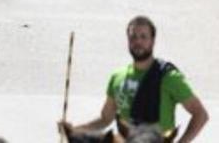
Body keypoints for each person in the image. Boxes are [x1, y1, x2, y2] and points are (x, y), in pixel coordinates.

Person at [60, 16, 208, 142]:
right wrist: (74, 130)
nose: (138, 42)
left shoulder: (168, 77)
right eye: (133, 37)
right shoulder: (117, 77)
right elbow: (105, 119)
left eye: (143, 37)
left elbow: (200, 114)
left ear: (152, 41)